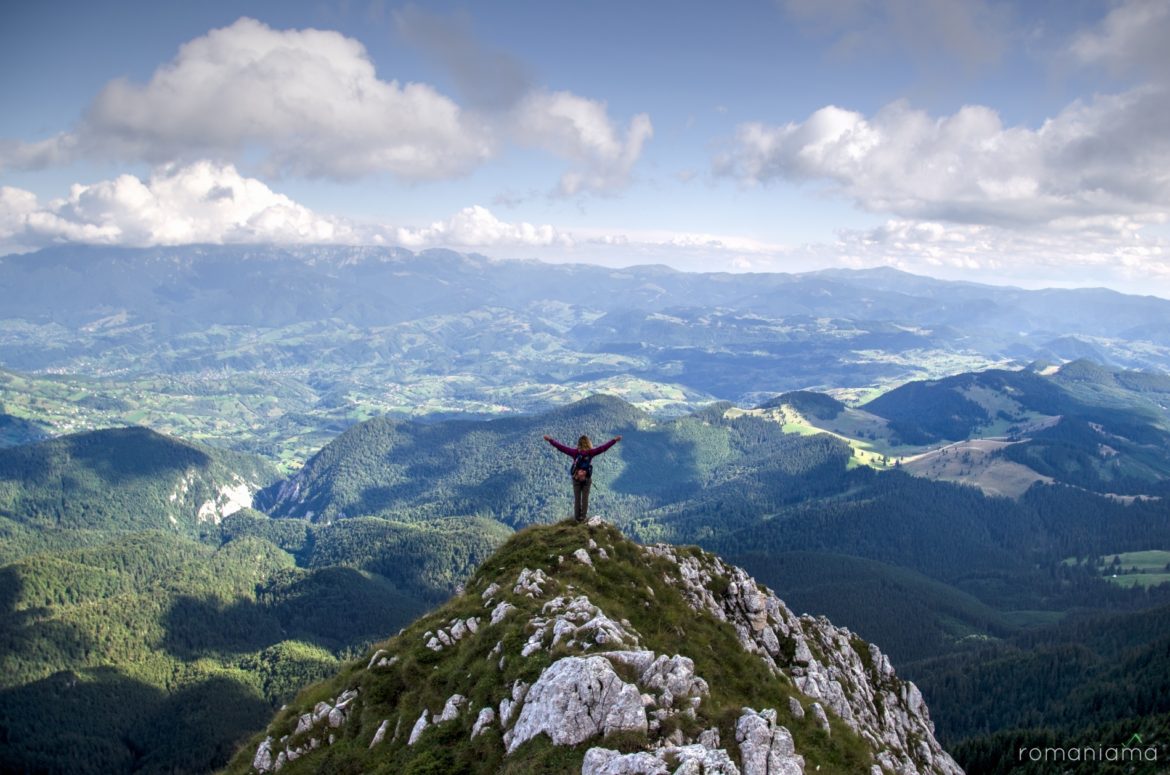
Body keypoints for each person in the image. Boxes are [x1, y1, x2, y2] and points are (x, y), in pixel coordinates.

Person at [543, 433, 622, 522]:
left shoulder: (575, 452)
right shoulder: (591, 452)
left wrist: (550, 440)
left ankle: (577, 519)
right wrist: (614, 440)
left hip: (576, 478)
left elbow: (561, 447)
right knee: (585, 499)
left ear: (579, 444)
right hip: (586, 479)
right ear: (588, 443)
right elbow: (603, 448)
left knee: (577, 499)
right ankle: (583, 518)